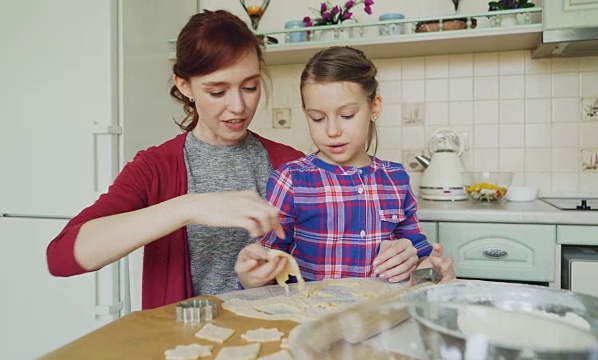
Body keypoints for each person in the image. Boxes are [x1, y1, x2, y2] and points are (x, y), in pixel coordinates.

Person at [46, 10, 304, 309]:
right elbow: (62, 255)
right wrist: (190, 206)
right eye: (217, 91)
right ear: (184, 85)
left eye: (250, 87)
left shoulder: (290, 164)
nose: (238, 106)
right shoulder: (155, 168)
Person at [235, 46, 454, 289]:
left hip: (382, 316)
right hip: (313, 319)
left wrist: (432, 268)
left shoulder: (395, 178)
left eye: (347, 115)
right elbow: (268, 262)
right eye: (317, 118)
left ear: (374, 107)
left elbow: (419, 253)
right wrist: (251, 275)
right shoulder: (291, 180)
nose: (332, 131)